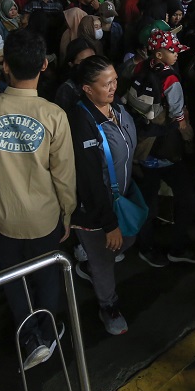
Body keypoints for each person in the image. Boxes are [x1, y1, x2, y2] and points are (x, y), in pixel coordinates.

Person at [0, 28, 76, 369]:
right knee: (47, 276)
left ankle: (29, 339)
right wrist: (67, 215)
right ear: (44, 65)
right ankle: (47, 330)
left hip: (1, 217)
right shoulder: (55, 115)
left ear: (4, 67)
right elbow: (64, 177)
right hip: (44, 218)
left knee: (12, 279)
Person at [68, 55, 139, 335]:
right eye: (106, 84)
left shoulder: (116, 110)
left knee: (127, 240)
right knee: (104, 260)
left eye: (115, 81)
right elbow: (89, 180)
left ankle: (87, 261)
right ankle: (108, 306)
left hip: (119, 200)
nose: (113, 88)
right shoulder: (81, 123)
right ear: (87, 89)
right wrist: (109, 224)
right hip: (95, 212)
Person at [126, 30, 195, 266]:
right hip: (167, 149)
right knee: (186, 197)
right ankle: (177, 246)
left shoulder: (140, 68)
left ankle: (146, 247)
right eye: (173, 51)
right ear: (159, 53)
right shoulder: (170, 79)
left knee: (148, 202)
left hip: (144, 147)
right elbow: (179, 115)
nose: (176, 55)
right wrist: (189, 138)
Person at [53, 38, 97, 112]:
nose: (90, 64)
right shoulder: (66, 90)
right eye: (83, 61)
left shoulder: (102, 82)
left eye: (93, 59)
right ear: (71, 64)